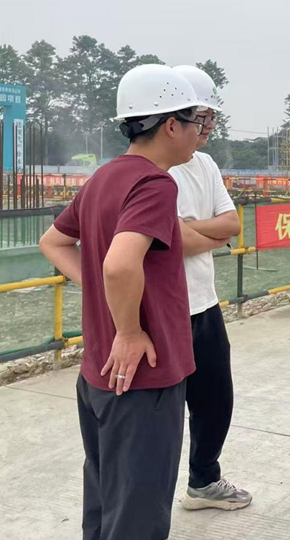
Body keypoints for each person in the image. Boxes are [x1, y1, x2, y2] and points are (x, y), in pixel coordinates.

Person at [39, 64, 205, 540]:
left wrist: (99, 291)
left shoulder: (104, 177)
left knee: (106, 501)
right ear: (170, 125)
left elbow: (53, 242)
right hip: (142, 378)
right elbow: (118, 265)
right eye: (194, 122)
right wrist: (130, 332)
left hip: (98, 373)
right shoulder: (155, 184)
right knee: (137, 517)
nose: (198, 133)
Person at [168, 65, 251, 511]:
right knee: (162, 412)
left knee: (216, 399)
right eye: (204, 117)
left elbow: (232, 223)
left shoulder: (205, 164)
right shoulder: (159, 171)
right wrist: (207, 233)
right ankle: (149, 498)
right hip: (166, 310)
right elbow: (174, 241)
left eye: (212, 118)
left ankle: (203, 481)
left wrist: (193, 230)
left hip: (204, 303)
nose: (209, 127)